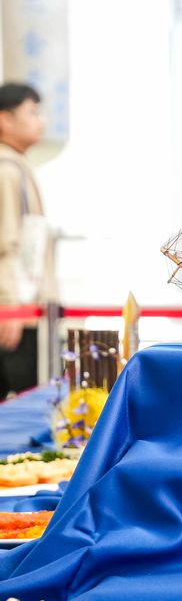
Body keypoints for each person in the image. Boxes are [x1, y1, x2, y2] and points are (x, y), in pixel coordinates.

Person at [0, 83, 48, 398]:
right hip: (15, 314)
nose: (41, 121)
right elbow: (6, 244)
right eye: (32, 112)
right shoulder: (6, 170)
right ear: (5, 119)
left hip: (24, 308)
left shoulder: (17, 165)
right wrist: (9, 306)